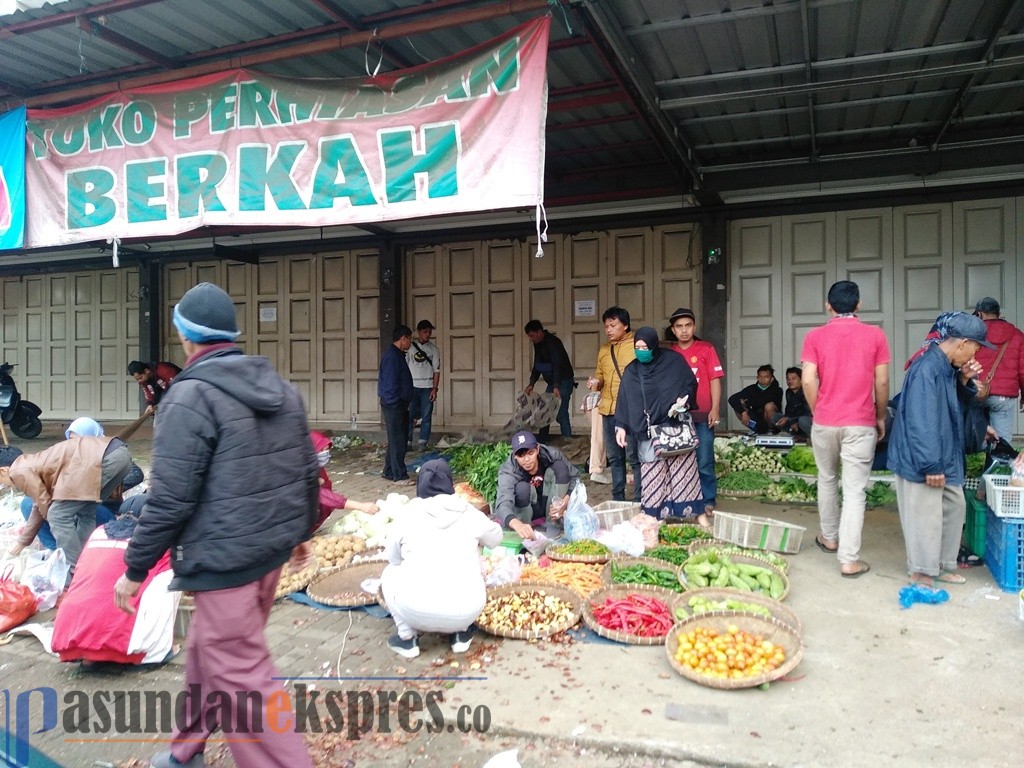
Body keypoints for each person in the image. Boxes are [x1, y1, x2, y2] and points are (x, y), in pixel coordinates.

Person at [114, 281, 319, 768]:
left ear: (186, 338)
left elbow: (169, 498)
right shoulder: (281, 390)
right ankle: (185, 752)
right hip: (267, 554)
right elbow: (306, 469)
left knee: (244, 680)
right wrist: (301, 534)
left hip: (226, 563)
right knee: (211, 654)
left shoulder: (188, 399)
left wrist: (135, 567)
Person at [888, 312, 994, 588]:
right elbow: (920, 420)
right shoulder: (926, 368)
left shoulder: (946, 366)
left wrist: (963, 380)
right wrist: (930, 465)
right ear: (962, 343)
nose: (977, 353)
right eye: (976, 347)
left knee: (953, 505)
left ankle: (944, 565)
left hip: (945, 452)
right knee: (925, 514)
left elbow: (952, 405)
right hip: (924, 457)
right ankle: (922, 571)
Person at [801, 280, 890, 579]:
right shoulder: (875, 335)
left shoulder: (814, 336)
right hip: (860, 422)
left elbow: (808, 380)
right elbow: (881, 383)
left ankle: (829, 537)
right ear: (859, 304)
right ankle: (849, 559)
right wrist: (879, 417)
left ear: (828, 305)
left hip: (825, 421)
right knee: (854, 492)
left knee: (826, 478)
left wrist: (818, 411)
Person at [381, 458, 502, 659]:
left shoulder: (407, 515)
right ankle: (461, 634)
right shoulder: (469, 513)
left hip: (414, 610)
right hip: (467, 610)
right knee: (475, 557)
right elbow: (496, 538)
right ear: (449, 484)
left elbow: (393, 558)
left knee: (389, 572)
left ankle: (407, 637)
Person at [52, 493, 180, 667]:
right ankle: (157, 651)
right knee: (173, 573)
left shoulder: (97, 532)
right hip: (121, 643)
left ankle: (92, 653)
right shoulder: (156, 540)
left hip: (69, 638)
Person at [1, 416, 132, 578]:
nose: (4, 485)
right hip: (123, 457)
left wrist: (27, 539)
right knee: (85, 510)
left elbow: (45, 505)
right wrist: (23, 541)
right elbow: (39, 503)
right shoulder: (35, 462)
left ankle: (73, 571)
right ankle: (85, 561)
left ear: (3, 471)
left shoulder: (17, 470)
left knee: (58, 514)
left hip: (108, 460)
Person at [614, 326, 705, 524]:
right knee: (653, 476)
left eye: (645, 347)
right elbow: (624, 400)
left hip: (675, 429)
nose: (641, 351)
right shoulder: (632, 370)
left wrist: (683, 400)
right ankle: (655, 517)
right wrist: (621, 426)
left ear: (654, 345)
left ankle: (698, 515)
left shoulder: (673, 362)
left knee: (684, 473)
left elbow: (690, 384)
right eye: (637, 347)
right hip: (648, 432)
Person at [668, 307, 725, 517]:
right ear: (673, 330)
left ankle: (708, 499)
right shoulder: (669, 354)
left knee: (704, 460)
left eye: (688, 326)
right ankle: (682, 499)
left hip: (703, 415)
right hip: (676, 419)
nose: (684, 330)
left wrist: (715, 408)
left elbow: (714, 380)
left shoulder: (706, 349)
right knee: (678, 461)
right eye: (679, 327)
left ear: (694, 327)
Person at [589, 307, 638, 499]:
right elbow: (600, 376)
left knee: (634, 458)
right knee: (615, 458)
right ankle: (618, 497)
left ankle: (639, 499)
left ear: (625, 325)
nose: (609, 329)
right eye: (606, 326)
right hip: (608, 410)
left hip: (630, 410)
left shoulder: (637, 345)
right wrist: (596, 382)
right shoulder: (604, 349)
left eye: (613, 325)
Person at [494, 430, 579, 541]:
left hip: (550, 504)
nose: (527, 460)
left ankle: (554, 524)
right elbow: (502, 503)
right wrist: (517, 524)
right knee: (522, 488)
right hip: (528, 508)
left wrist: (566, 500)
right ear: (514, 455)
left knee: (560, 468)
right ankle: (526, 532)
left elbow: (575, 477)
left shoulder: (551, 454)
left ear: (537, 449)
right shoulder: (508, 470)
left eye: (530, 453)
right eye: (521, 455)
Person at [972, 297, 1024, 442]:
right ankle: (999, 463)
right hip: (1003, 396)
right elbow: (1022, 369)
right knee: (1001, 441)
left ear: (980, 314)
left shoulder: (974, 334)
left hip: (976, 390)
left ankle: (972, 461)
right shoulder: (1017, 335)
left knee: (972, 432)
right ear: (998, 314)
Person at [310, 430, 378, 531]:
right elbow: (321, 494)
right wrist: (360, 506)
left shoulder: (316, 467)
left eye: (326, 450)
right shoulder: (297, 470)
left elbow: (326, 488)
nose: (325, 454)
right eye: (321, 450)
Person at [524, 320, 575, 438]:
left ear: (540, 332)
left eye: (532, 336)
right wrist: (532, 383)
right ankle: (542, 440)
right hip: (553, 381)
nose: (531, 339)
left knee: (561, 412)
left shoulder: (553, 343)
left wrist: (556, 386)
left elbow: (557, 364)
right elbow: (537, 363)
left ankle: (567, 440)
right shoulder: (538, 343)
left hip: (563, 380)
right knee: (544, 411)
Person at [379, 325, 415, 482]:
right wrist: (395, 404)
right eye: (410, 339)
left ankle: (388, 471)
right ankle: (400, 476)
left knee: (395, 440)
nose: (410, 343)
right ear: (403, 338)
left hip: (399, 404)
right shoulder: (392, 357)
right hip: (394, 405)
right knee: (398, 441)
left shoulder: (398, 355)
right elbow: (390, 384)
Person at [406, 319, 441, 450]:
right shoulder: (410, 347)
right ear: (419, 332)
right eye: (425, 331)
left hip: (427, 386)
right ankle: (407, 442)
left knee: (426, 416)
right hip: (412, 386)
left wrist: (434, 388)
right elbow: (405, 366)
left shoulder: (433, 349)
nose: (428, 334)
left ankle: (422, 442)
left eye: (430, 332)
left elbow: (436, 370)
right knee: (409, 415)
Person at [728, 364, 783, 434]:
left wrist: (748, 401)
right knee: (738, 404)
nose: (763, 379)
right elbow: (732, 399)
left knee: (769, 406)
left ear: (772, 379)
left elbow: (764, 401)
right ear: (757, 377)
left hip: (772, 424)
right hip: (757, 421)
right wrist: (744, 412)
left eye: (766, 377)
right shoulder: (752, 389)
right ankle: (755, 429)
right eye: (760, 376)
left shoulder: (777, 390)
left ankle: (770, 431)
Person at [771, 367, 813, 439]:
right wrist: (789, 419)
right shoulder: (789, 392)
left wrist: (791, 419)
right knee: (776, 417)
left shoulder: (807, 391)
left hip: (808, 420)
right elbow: (789, 410)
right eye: (788, 379)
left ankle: (813, 438)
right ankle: (799, 435)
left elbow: (808, 413)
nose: (790, 381)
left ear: (801, 380)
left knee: (803, 420)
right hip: (795, 420)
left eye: (794, 378)